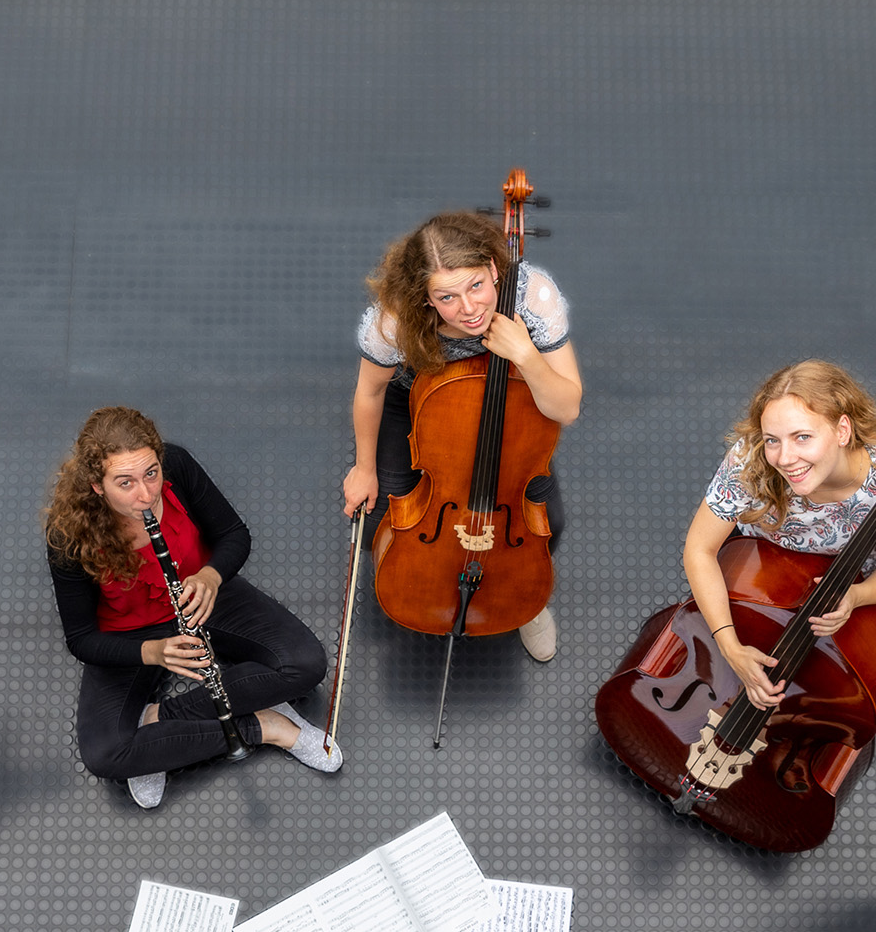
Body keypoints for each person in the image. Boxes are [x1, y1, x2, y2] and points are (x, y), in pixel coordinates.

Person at [44, 407, 340, 809]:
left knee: (305, 664)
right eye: (124, 483)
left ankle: (158, 724)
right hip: (130, 634)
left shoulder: (177, 466)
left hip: (203, 598)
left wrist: (211, 577)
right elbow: (81, 640)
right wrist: (152, 652)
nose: (145, 494)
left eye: (151, 473)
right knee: (106, 755)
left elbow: (234, 534)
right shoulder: (68, 535)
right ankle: (264, 725)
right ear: (97, 486)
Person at [339, 208, 585, 660]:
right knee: (385, 509)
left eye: (476, 285)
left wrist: (526, 355)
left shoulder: (533, 298)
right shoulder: (394, 318)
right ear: (425, 297)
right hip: (416, 405)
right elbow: (370, 392)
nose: (469, 308)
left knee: (553, 521)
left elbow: (566, 407)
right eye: (447, 297)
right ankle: (416, 581)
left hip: (509, 399)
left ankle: (523, 601)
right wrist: (363, 467)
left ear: (494, 268)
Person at [681, 360, 876, 709]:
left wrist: (856, 596)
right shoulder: (752, 460)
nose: (785, 458)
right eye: (773, 439)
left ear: (842, 430)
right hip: (756, 566)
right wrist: (729, 646)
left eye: (802, 437)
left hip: (834, 583)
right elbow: (700, 550)